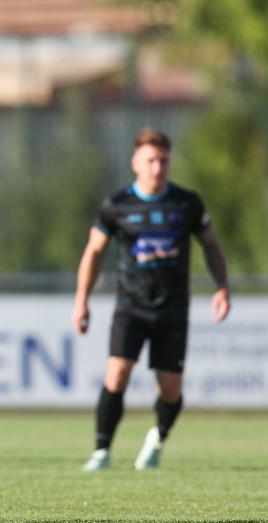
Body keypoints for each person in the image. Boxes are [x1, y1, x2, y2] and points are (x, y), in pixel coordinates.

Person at [73, 128, 230, 471]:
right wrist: (81, 300)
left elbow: (212, 245)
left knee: (170, 389)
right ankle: (101, 452)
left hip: (173, 308)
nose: (157, 167)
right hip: (131, 305)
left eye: (163, 160)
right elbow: (94, 252)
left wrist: (222, 286)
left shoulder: (187, 203)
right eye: (150, 160)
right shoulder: (117, 205)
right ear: (135, 162)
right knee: (116, 375)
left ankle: (158, 437)